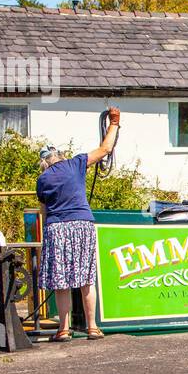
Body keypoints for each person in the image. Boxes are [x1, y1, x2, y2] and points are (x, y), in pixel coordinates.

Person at [36, 108, 120, 341]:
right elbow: (105, 149)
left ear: (44, 163)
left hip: (57, 227)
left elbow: (44, 212)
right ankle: (92, 326)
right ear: (61, 156)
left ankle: (63, 329)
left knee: (62, 282)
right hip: (82, 225)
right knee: (86, 279)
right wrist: (114, 123)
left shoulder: (42, 180)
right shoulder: (76, 164)